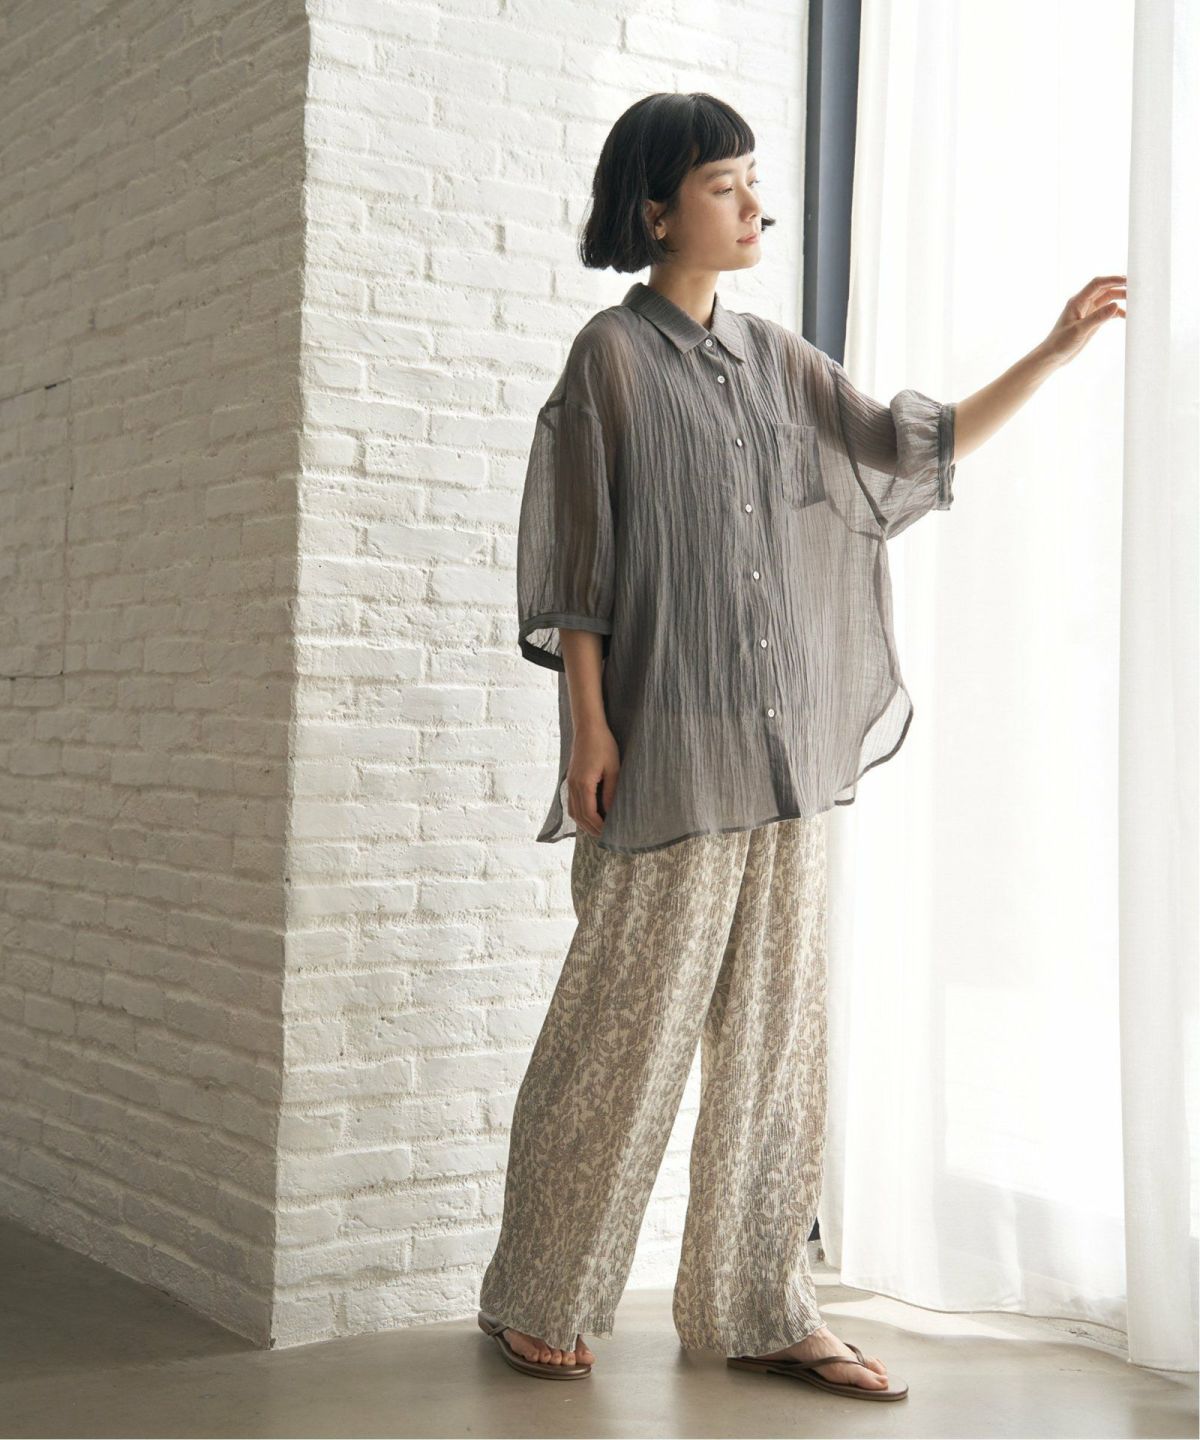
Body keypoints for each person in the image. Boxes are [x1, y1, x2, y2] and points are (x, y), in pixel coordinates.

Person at [477, 90, 1125, 1399]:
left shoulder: (776, 357)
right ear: (656, 209)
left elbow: (902, 450)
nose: (754, 205)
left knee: (776, 1047)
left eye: (753, 180)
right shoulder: (611, 358)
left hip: (784, 758)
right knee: (621, 1034)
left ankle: (760, 1306)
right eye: (724, 185)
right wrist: (586, 727)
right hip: (665, 754)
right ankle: (535, 1294)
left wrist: (1053, 352)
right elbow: (582, 568)